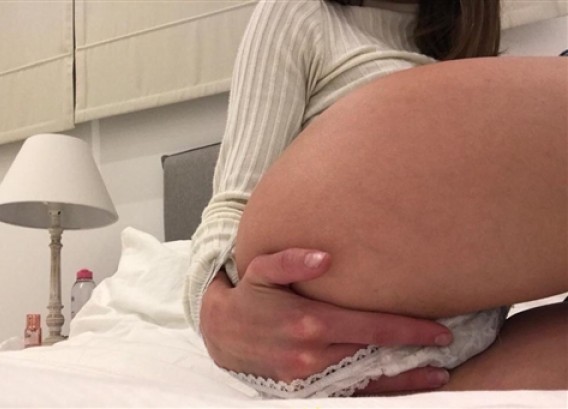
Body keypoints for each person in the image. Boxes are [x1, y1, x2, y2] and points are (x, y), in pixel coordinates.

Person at [184, 0, 567, 398]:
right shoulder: (299, 12)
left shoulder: (460, 45)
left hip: (470, 337)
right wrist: (212, 310)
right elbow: (231, 205)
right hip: (328, 342)